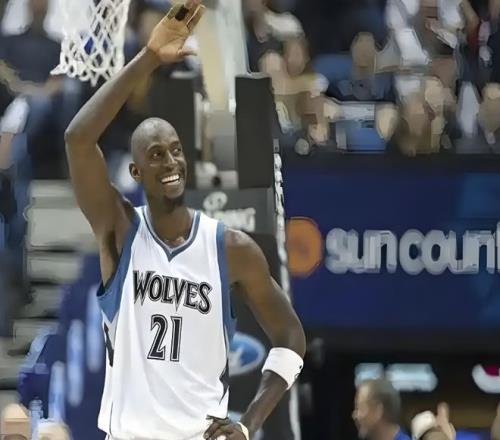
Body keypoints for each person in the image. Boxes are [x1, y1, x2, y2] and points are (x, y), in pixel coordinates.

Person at [64, 1, 306, 440]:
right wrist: (149, 57)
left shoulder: (231, 247)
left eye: (176, 150)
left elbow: (291, 337)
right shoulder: (120, 230)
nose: (171, 161)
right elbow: (78, 138)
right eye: (156, 155)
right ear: (136, 172)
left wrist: (249, 422)